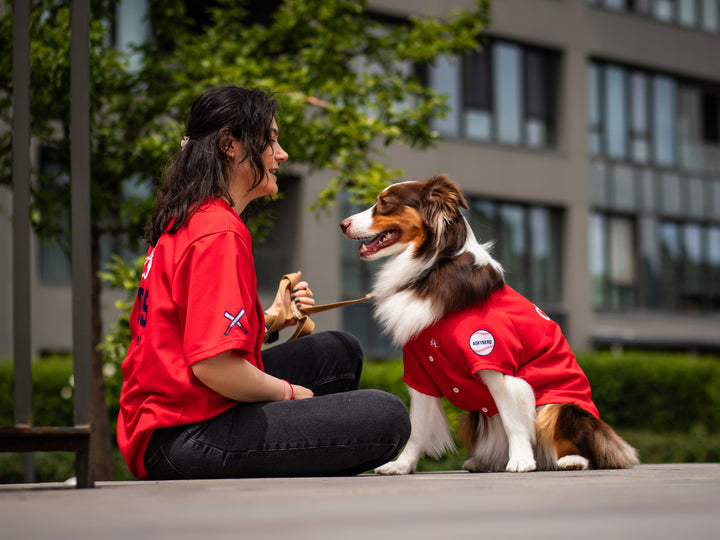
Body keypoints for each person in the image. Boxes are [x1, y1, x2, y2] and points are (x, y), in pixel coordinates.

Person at [117, 85, 410, 480]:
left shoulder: (190, 217)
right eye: (270, 141)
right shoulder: (218, 231)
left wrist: (270, 318)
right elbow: (214, 369)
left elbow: (187, 334)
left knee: (339, 350)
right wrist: (292, 396)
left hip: (169, 421)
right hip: (185, 437)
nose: (282, 154)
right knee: (387, 416)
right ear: (230, 145)